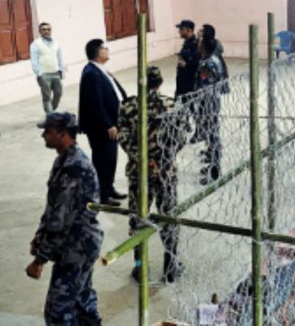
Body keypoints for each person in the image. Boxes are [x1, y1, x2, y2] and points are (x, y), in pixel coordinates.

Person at [26, 112, 104, 326]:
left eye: (48, 131)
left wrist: (39, 260)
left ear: (62, 134)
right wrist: (40, 234)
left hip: (76, 247)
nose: (43, 135)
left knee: (58, 312)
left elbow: (60, 221)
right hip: (78, 245)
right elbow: (53, 205)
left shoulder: (73, 168)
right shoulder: (64, 160)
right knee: (82, 301)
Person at [118, 66, 187, 282]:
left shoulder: (128, 106)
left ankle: (140, 267)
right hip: (165, 173)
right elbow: (181, 138)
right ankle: (170, 267)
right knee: (168, 218)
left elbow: (123, 137)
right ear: (160, 82)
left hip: (139, 173)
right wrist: (162, 160)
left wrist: (144, 160)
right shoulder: (171, 105)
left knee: (139, 218)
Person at [79, 39, 127, 206]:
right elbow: (95, 103)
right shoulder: (91, 73)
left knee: (110, 158)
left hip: (112, 123)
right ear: (97, 53)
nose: (107, 50)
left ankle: (108, 187)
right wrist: (108, 124)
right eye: (104, 48)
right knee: (103, 159)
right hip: (100, 127)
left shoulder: (100, 70)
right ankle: (102, 194)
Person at [194, 36, 224, 185]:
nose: (198, 45)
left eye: (200, 43)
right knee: (212, 133)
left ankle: (214, 171)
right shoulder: (214, 59)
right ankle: (212, 165)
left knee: (212, 135)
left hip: (208, 103)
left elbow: (204, 85)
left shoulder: (208, 63)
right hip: (212, 100)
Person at [30, 22, 65, 114]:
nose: (46, 31)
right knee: (47, 96)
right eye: (44, 30)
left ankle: (51, 112)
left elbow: (60, 57)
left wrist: (61, 70)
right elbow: (34, 61)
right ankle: (50, 116)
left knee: (58, 94)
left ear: (51, 31)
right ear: (40, 31)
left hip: (56, 73)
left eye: (48, 29)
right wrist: (39, 73)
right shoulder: (35, 44)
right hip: (44, 75)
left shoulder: (56, 43)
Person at [175, 19, 199, 102]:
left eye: (182, 29)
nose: (179, 31)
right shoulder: (187, 43)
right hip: (182, 81)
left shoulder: (195, 44)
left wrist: (186, 65)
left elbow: (197, 62)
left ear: (189, 30)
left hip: (189, 83)